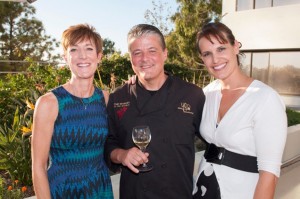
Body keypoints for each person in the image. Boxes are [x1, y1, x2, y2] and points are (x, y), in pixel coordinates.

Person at [104, 24, 205, 199]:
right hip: (135, 194)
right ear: (130, 58)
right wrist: (122, 155)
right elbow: (108, 144)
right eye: (137, 53)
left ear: (165, 53)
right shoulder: (118, 98)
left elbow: (212, 139)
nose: (144, 59)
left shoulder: (192, 94)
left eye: (152, 51)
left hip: (178, 193)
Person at [193, 22, 287, 199]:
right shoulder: (207, 93)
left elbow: (270, 174)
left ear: (235, 46)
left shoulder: (265, 98)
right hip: (204, 190)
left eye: (221, 49)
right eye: (207, 54)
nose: (215, 60)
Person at [31, 24, 113, 199]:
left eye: (89, 49)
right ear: (65, 57)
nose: (82, 56)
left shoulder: (105, 99)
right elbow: (38, 166)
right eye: (74, 49)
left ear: (99, 57)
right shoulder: (49, 103)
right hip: (62, 192)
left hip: (100, 191)